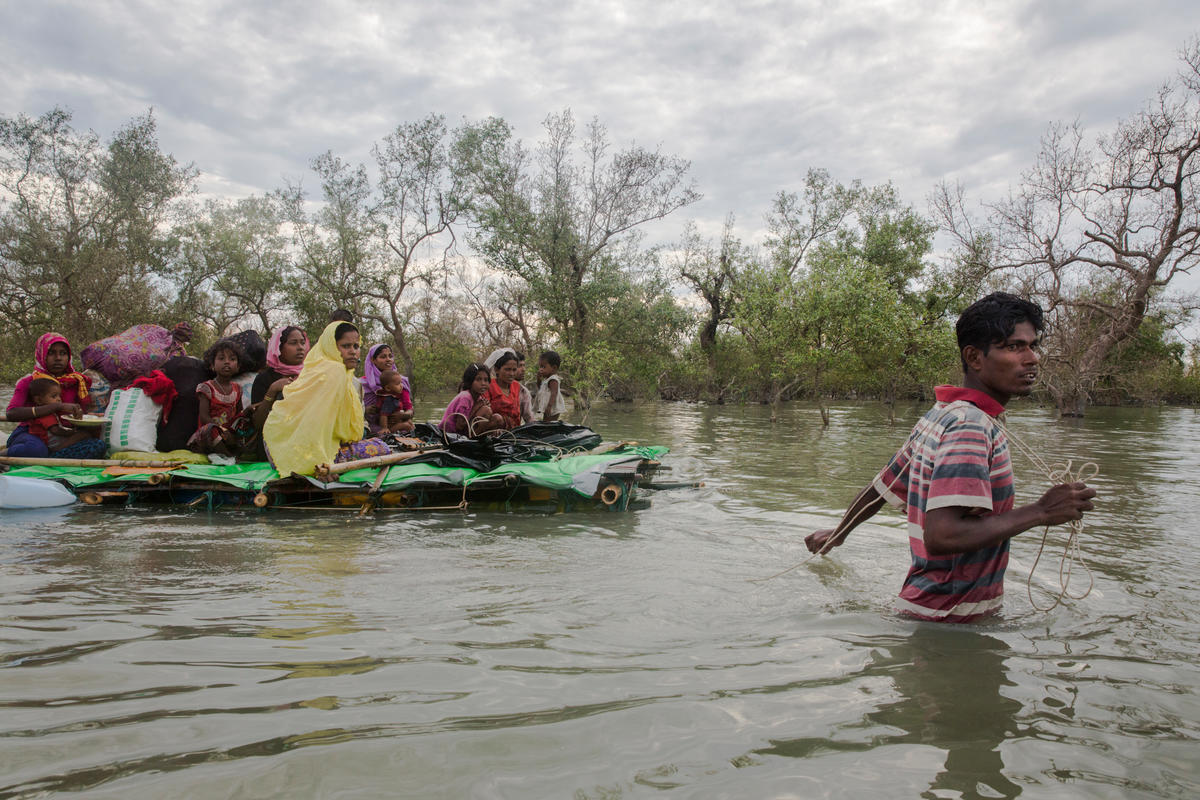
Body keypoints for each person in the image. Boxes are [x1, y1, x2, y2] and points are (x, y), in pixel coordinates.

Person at [804, 292, 1097, 623]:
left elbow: (882, 486)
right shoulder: (969, 425)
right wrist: (1042, 511)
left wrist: (839, 532)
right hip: (948, 624)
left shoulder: (944, 412)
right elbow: (942, 536)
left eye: (1033, 345)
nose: (1032, 358)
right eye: (1014, 347)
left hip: (929, 615)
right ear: (974, 357)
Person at [261, 321, 389, 476]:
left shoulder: (320, 367)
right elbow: (317, 426)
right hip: (299, 455)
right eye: (345, 346)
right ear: (331, 347)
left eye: (356, 346)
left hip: (278, 450)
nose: (353, 352)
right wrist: (324, 463)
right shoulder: (335, 371)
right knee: (382, 447)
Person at [4, 378, 107, 459]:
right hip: (41, 441)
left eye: (59, 396)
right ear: (39, 400)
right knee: (37, 450)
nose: (59, 399)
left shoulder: (76, 380)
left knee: (90, 438)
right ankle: (4, 454)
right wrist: (71, 432)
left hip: (54, 441)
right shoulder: (45, 413)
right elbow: (56, 430)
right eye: (54, 396)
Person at [6, 332, 93, 421]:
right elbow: (12, 413)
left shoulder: (76, 381)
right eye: (51, 353)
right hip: (33, 432)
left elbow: (82, 412)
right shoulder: (29, 381)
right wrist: (57, 407)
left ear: (69, 357)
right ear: (42, 355)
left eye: (63, 353)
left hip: (69, 431)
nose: (58, 358)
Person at [187, 339, 247, 455]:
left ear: (238, 366)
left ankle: (235, 451)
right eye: (221, 358)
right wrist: (222, 430)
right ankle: (227, 456)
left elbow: (239, 414)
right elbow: (204, 417)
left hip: (228, 434)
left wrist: (247, 413)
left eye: (232, 359)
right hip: (208, 435)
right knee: (212, 429)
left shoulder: (237, 389)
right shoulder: (207, 388)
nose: (227, 362)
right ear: (212, 365)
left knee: (244, 428)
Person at [361, 343, 413, 434]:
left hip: (399, 426)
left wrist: (404, 415)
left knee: (409, 427)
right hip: (372, 428)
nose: (388, 359)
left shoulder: (400, 381)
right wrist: (365, 410)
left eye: (390, 356)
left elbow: (409, 408)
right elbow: (352, 411)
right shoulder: (363, 384)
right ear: (373, 360)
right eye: (383, 357)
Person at [440, 363, 504, 436]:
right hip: (449, 433)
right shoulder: (465, 397)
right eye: (478, 379)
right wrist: (477, 406)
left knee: (497, 419)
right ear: (470, 381)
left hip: (465, 432)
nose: (483, 383)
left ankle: (478, 438)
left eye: (486, 380)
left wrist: (493, 430)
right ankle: (472, 439)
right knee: (486, 410)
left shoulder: (478, 398)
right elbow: (460, 426)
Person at [367, 370, 415, 435]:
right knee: (407, 426)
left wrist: (404, 416)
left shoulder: (394, 396)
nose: (401, 386)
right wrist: (384, 428)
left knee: (409, 423)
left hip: (395, 422)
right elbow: (383, 415)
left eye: (401, 383)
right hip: (390, 426)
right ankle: (411, 437)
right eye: (398, 384)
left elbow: (409, 408)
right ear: (388, 388)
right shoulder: (388, 399)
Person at [486, 350, 523, 429]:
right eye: (507, 369)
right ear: (497, 370)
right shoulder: (489, 386)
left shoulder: (516, 386)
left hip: (514, 432)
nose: (511, 374)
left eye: (514, 370)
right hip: (492, 431)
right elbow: (484, 414)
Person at [533, 350, 565, 422]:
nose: (540, 369)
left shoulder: (553, 379)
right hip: (549, 407)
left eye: (543, 367)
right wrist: (538, 379)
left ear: (554, 368)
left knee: (548, 423)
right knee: (547, 422)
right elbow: (540, 387)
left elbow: (554, 393)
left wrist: (549, 406)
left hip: (552, 408)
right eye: (540, 367)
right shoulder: (546, 379)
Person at [515, 352, 534, 425]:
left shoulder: (524, 392)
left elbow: (529, 419)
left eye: (524, 365)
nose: (524, 369)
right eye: (520, 366)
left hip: (512, 434)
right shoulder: (492, 388)